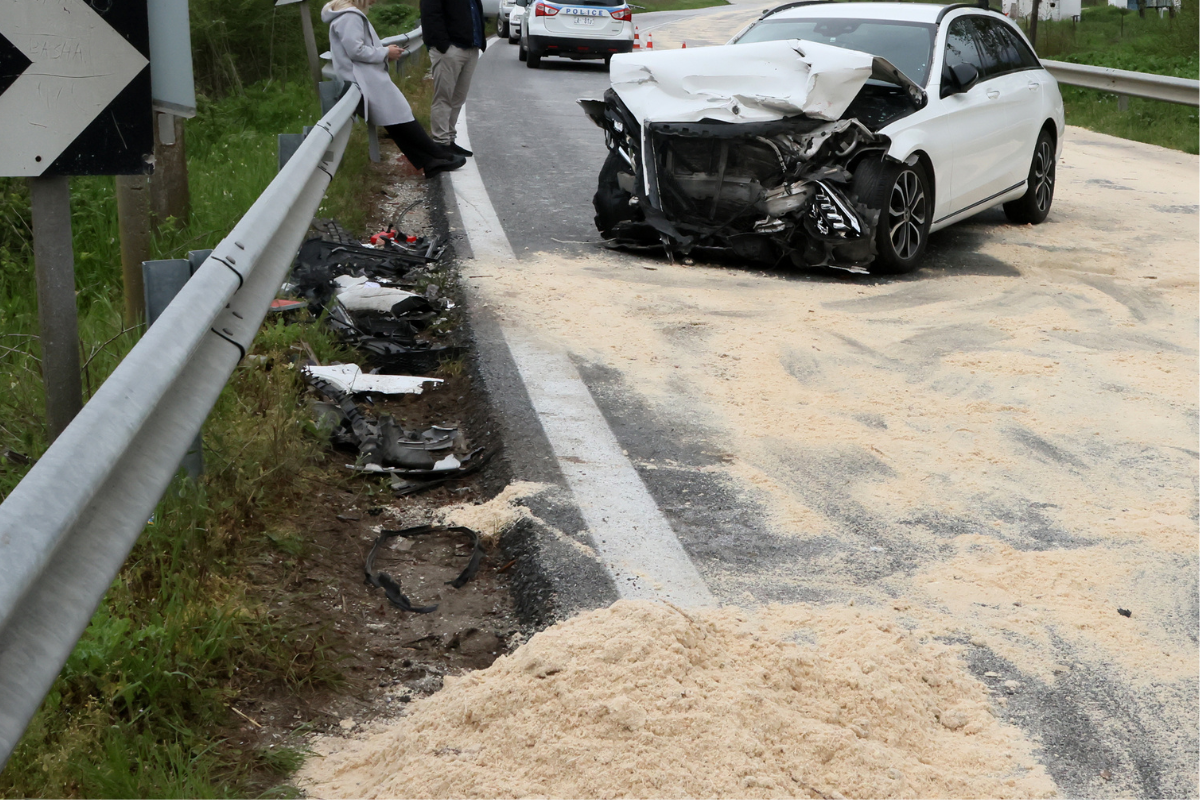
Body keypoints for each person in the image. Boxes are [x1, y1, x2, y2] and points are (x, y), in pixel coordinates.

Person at [323, 0, 466, 177]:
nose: (373, 1)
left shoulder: (345, 16)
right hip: (366, 79)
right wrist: (385, 52)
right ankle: (436, 155)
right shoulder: (350, 17)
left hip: (367, 78)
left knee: (396, 119)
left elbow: (354, 49)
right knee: (400, 116)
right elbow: (356, 51)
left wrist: (384, 52)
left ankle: (431, 160)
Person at [420, 0, 485, 155]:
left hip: (471, 47)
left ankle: (449, 139)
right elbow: (430, 14)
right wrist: (443, 45)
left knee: (458, 98)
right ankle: (440, 142)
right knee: (444, 97)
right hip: (449, 49)